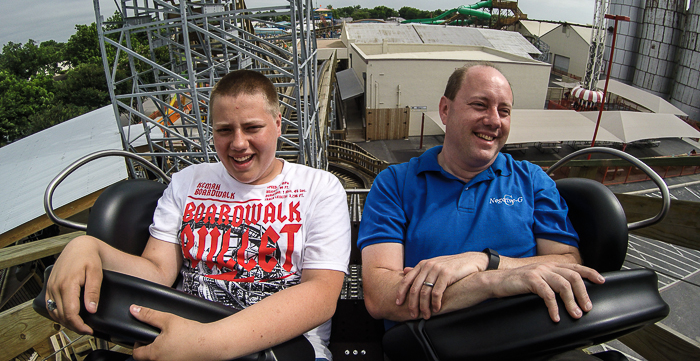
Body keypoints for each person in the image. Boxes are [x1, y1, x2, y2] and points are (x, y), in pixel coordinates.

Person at [46, 70, 351, 361]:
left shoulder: (319, 188)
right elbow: (157, 271)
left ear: (278, 124)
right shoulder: (188, 182)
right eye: (224, 130)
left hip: (280, 348)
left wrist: (210, 343)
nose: (239, 143)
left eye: (253, 127)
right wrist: (88, 248)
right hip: (182, 338)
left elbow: (320, 293)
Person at [358, 63, 605, 330]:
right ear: (445, 109)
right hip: (431, 347)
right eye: (480, 105)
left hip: (531, 341)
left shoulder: (532, 180)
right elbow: (380, 296)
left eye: (504, 111)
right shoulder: (395, 183)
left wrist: (483, 261)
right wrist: (486, 282)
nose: (494, 120)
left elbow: (567, 260)